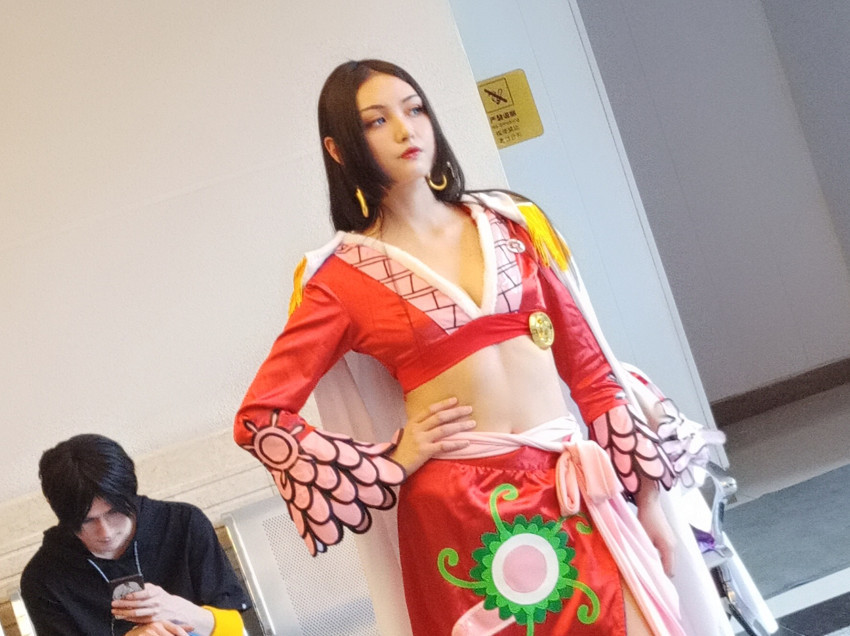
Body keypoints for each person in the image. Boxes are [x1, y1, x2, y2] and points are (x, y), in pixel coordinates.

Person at [234, 59, 729, 635]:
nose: (406, 129)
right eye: (377, 121)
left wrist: (647, 502)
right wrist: (391, 459)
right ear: (338, 148)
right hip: (463, 513)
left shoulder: (510, 224)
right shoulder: (339, 278)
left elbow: (591, 371)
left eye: (415, 109)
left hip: (576, 484)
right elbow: (259, 417)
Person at [21, 434, 251, 636]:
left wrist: (178, 610)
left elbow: (236, 629)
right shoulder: (44, 578)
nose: (106, 532)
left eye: (114, 512)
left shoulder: (183, 523)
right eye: (86, 520)